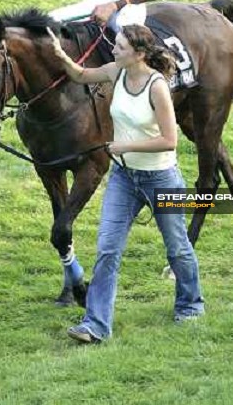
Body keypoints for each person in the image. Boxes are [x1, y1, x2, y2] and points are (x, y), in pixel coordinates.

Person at [46, 23, 205, 343]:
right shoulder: (115, 71)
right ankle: (96, 324)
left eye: (119, 46)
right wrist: (60, 53)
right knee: (107, 249)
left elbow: (169, 140)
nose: (113, 49)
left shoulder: (157, 86)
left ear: (139, 54)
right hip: (123, 178)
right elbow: (80, 75)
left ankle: (190, 304)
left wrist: (125, 146)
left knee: (177, 247)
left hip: (161, 177)